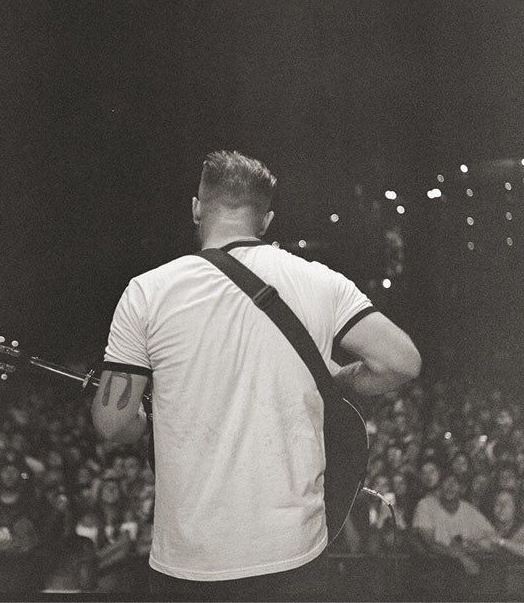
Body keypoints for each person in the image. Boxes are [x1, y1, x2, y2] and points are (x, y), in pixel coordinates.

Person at [92, 149, 421, 601]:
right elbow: (402, 361)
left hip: (189, 562)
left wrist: (147, 423)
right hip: (292, 556)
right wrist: (331, 382)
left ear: (196, 207)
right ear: (265, 220)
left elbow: (111, 421)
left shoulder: (148, 292)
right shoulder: (320, 282)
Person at [411, 469, 497, 599]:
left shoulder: (469, 510)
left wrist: (472, 546)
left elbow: (493, 539)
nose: (450, 486)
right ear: (439, 486)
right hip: (431, 573)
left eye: (455, 483)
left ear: (462, 489)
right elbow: (430, 544)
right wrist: (462, 557)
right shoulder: (425, 505)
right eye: (446, 482)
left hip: (462, 578)